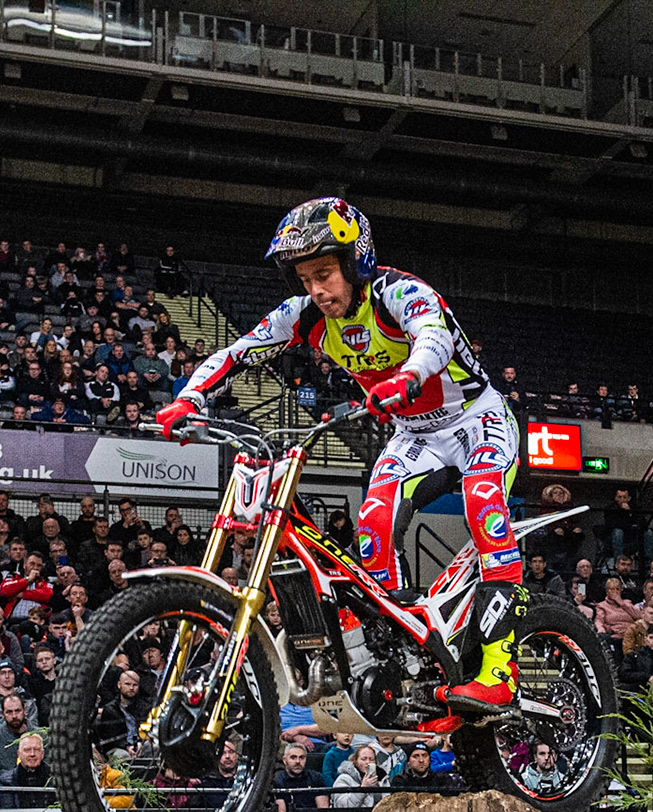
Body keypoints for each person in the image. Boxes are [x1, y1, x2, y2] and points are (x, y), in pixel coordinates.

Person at [158, 198, 525, 711]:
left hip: (477, 419)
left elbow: (434, 339)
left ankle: (498, 670)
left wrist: (409, 376)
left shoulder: (400, 292)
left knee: (484, 502)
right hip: (412, 433)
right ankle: (400, 651)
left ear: (356, 261)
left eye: (325, 273)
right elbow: (238, 350)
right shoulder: (304, 314)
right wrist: (187, 398)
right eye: (306, 278)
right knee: (372, 525)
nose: (316, 289)